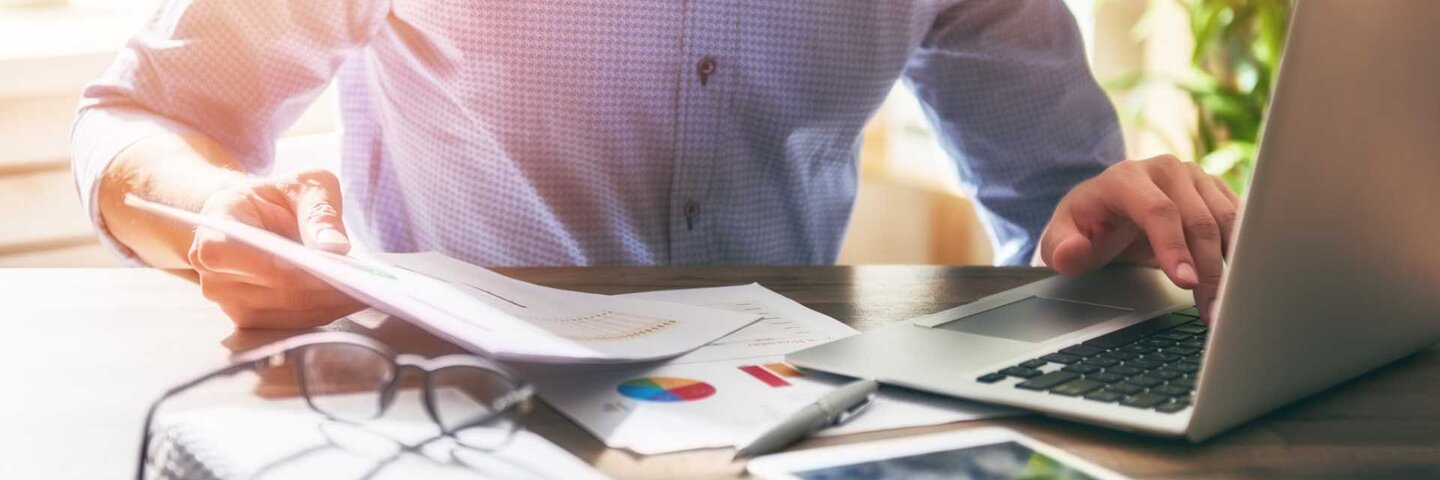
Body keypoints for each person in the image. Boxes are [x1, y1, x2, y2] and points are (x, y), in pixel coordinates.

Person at [73, 1, 1237, 329]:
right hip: (456, 428)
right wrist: (218, 207)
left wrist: (1110, 224)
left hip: (779, 434)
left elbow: (1061, 225)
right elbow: (136, 114)